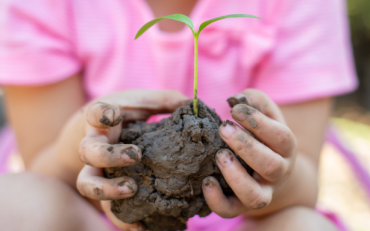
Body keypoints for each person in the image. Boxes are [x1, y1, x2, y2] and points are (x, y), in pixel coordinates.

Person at [0, 0, 357, 230]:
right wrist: (81, 142)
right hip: (96, 217)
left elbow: (304, 185)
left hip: (248, 222)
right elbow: (44, 174)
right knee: (15, 205)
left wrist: (273, 174)